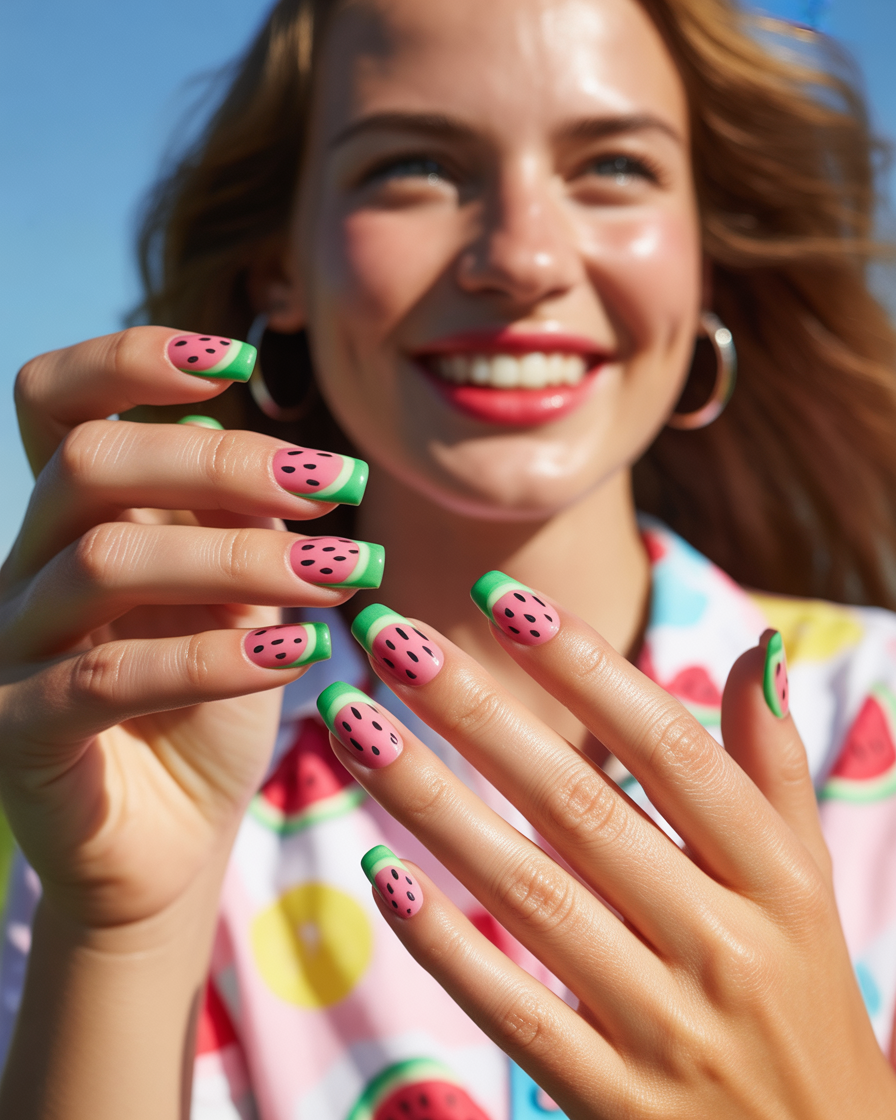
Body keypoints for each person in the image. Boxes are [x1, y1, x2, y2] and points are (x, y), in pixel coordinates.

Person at [2, 0, 896, 1115]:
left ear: (703, 251)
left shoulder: (880, 718)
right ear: (282, 264)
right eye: (415, 166)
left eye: (613, 165)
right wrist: (121, 930)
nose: (520, 258)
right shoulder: (146, 753)